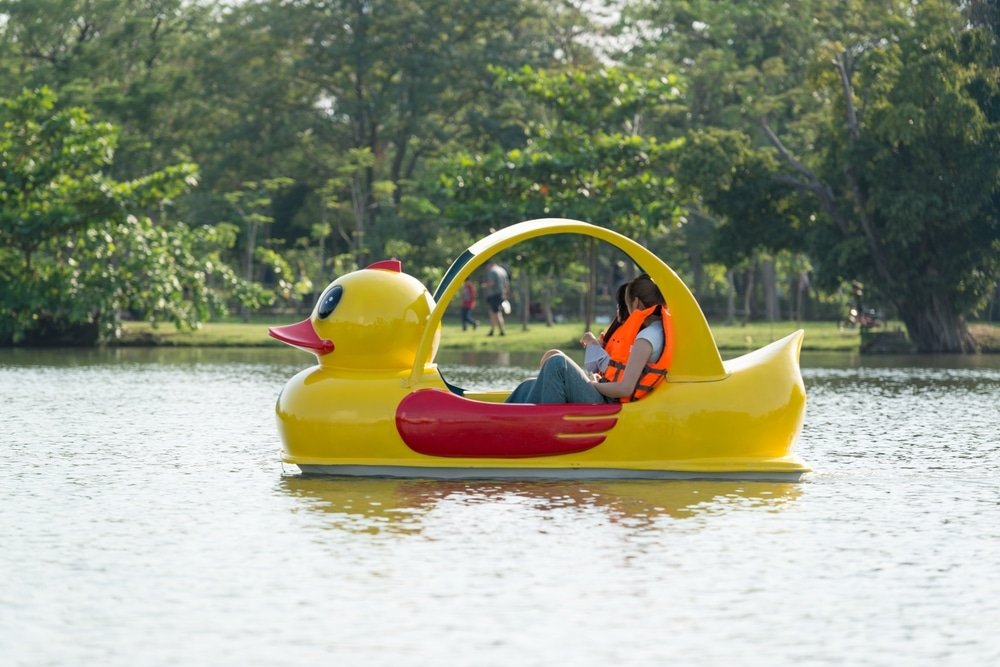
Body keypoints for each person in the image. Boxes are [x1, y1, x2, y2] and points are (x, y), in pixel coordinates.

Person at [505, 274, 673, 405]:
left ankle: (537, 425)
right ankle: (505, 419)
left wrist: (592, 384)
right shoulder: (656, 332)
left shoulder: (646, 338)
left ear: (636, 302)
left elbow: (625, 388)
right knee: (528, 385)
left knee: (557, 363)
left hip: (609, 402)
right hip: (605, 393)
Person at [482, 259, 510, 337]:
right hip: (501, 294)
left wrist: (484, 285)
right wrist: (506, 294)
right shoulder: (502, 270)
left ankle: (500, 331)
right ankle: (493, 330)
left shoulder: (492, 271)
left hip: (494, 295)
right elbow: (507, 284)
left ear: (489, 264)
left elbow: (491, 283)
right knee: (495, 313)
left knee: (495, 313)